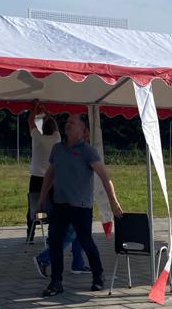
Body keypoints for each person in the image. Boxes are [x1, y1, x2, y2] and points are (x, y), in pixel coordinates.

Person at [37, 113, 123, 296]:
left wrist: (113, 202)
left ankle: (98, 277)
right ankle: (56, 282)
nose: (67, 124)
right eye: (67, 122)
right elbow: (50, 174)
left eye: (72, 122)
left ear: (81, 130)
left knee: (86, 242)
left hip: (81, 206)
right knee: (55, 243)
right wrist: (42, 198)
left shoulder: (88, 151)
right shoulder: (57, 149)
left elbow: (104, 177)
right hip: (59, 204)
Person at [26, 100, 61, 243]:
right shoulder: (56, 139)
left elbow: (30, 120)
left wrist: (35, 108)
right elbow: (54, 121)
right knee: (53, 205)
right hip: (53, 177)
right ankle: (52, 234)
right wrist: (45, 110)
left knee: (33, 206)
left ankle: (30, 235)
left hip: (36, 177)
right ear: (53, 129)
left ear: (43, 129)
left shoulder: (37, 138)